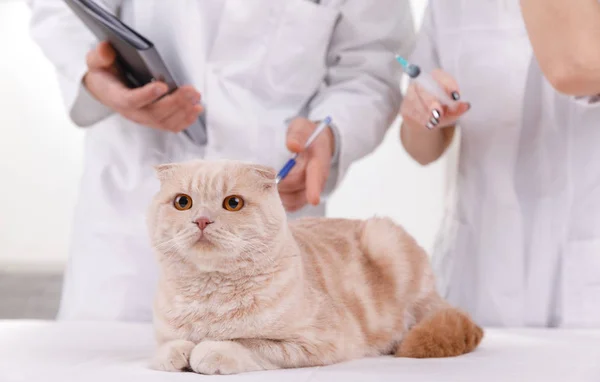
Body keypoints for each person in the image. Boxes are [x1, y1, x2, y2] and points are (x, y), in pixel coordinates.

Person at [27, 0, 416, 321]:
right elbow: (62, 10)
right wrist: (97, 77)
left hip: (269, 216)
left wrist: (329, 134)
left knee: (259, 366)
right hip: (128, 219)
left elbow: (372, 64)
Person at [400, 0, 600, 328]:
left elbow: (571, 67)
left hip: (585, 270)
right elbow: (421, 149)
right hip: (482, 265)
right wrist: (421, 115)